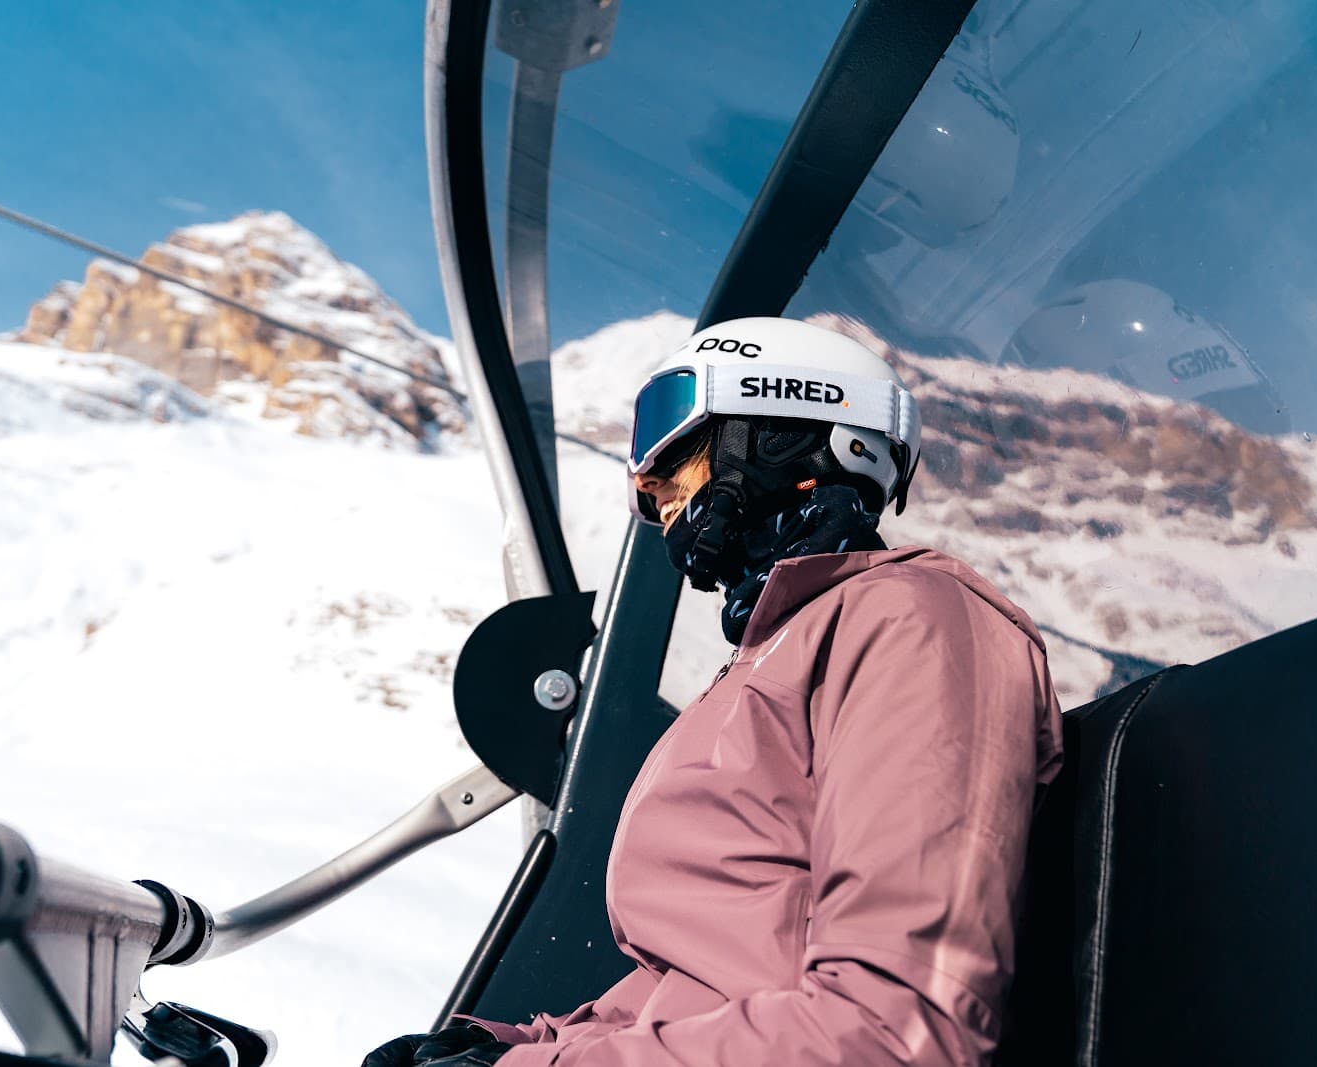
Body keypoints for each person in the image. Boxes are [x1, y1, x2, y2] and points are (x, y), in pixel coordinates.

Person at [364, 316, 1064, 1066]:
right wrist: (505, 1044)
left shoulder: (915, 620)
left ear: (783, 426)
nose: (647, 483)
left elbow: (899, 1029)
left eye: (673, 438)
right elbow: (691, 980)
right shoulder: (767, 657)